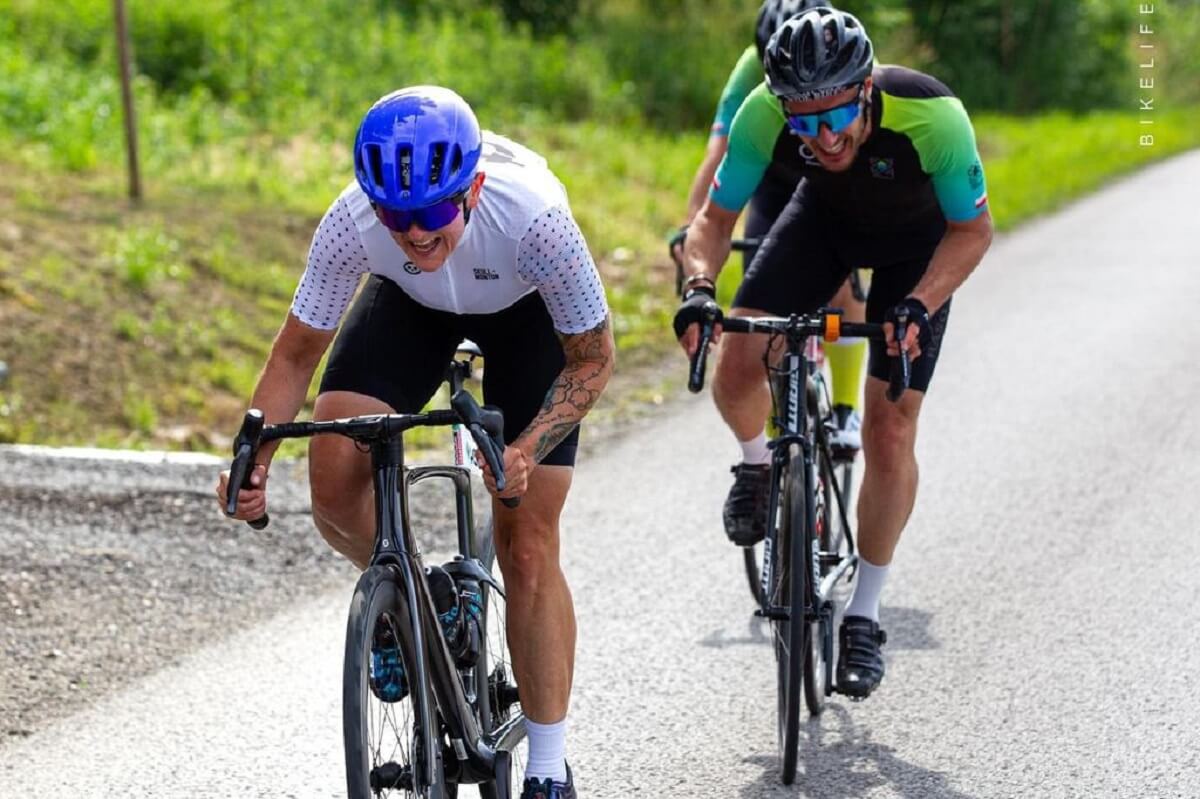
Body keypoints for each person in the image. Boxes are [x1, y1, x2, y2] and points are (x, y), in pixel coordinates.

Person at [217, 85, 614, 798]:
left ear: (474, 188)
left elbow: (593, 356)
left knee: (526, 540)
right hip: (412, 308)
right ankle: (425, 599)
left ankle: (549, 766)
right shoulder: (353, 224)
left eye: (433, 212)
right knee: (333, 480)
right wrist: (255, 452)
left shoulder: (536, 222)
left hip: (526, 320)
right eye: (396, 216)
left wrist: (524, 448)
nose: (415, 233)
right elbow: (295, 353)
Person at [673, 8, 993, 698]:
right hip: (825, 225)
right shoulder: (765, 113)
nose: (821, 136)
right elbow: (714, 220)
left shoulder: (933, 116)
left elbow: (973, 230)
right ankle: (760, 468)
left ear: (866, 89)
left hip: (917, 250)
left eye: (834, 118)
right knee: (737, 359)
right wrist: (700, 286)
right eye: (802, 122)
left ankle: (864, 615)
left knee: (889, 425)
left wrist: (920, 303)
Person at [675, 0, 870, 465]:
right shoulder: (752, 75)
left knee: (841, 276)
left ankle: (845, 408)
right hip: (775, 178)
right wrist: (690, 233)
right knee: (760, 305)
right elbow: (718, 155)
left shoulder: (852, 65)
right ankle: (768, 454)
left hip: (836, 183)